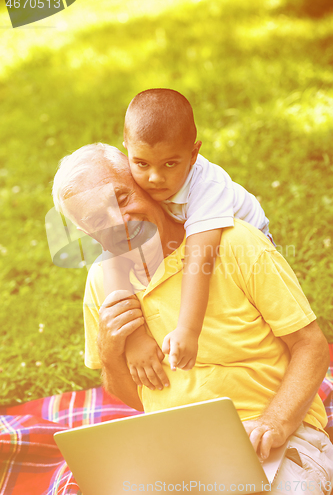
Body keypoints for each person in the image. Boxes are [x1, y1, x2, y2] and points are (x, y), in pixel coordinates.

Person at [52, 145, 333, 494]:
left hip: (276, 435)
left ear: (146, 185)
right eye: (96, 220)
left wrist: (275, 422)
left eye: (122, 199)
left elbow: (312, 346)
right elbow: (138, 396)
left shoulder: (235, 243)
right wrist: (110, 350)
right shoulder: (103, 283)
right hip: (180, 455)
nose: (118, 222)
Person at [102, 88, 271, 373]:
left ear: (193, 154)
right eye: (141, 163)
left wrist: (188, 331)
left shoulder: (208, 187)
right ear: (126, 151)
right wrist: (135, 339)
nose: (155, 177)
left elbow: (201, 258)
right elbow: (114, 252)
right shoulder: (132, 179)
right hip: (186, 249)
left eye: (170, 163)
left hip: (244, 263)